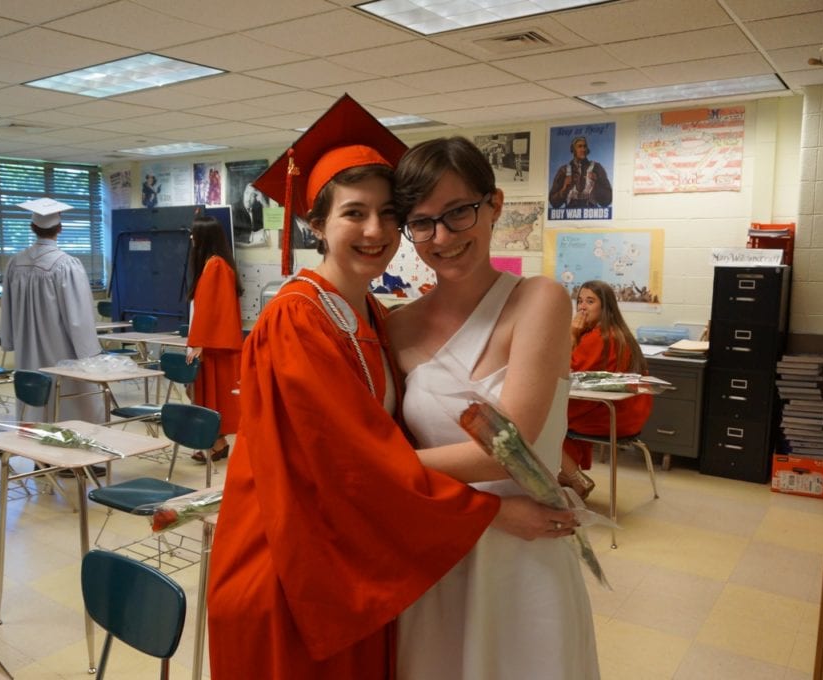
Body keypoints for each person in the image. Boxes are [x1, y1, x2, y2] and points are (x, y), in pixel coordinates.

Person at [205, 95, 572, 679]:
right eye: (354, 212)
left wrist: (553, 456)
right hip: (294, 572)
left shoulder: (372, 316)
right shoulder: (296, 319)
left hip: (357, 560)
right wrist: (487, 512)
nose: (377, 230)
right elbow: (344, 466)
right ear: (315, 224)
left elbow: (389, 442)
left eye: (390, 215)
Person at [388, 136, 600, 680]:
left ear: (495, 205)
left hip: (524, 555)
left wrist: (377, 467)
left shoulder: (539, 300)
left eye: (459, 212)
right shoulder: (397, 325)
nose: (442, 237)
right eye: (422, 222)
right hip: (442, 549)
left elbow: (514, 450)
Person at [0, 198, 103, 423]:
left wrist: (8, 340)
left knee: (34, 399)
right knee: (68, 402)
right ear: (60, 229)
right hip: (62, 352)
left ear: (32, 227)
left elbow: (6, 308)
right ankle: (68, 450)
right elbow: (78, 318)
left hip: (27, 350)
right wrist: (89, 354)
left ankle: (38, 452)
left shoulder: (15, 263)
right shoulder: (66, 265)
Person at [562, 279, 654, 498]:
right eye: (580, 301)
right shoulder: (617, 331)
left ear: (605, 307)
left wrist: (572, 335)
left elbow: (567, 372)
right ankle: (566, 475)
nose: (582, 307)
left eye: (590, 301)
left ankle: (575, 477)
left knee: (540, 424)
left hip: (609, 416)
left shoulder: (599, 337)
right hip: (625, 414)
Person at [184, 215, 243, 463]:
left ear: (204, 237)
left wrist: (198, 343)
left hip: (214, 346)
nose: (191, 237)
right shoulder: (213, 263)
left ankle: (215, 442)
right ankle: (217, 442)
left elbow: (212, 309)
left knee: (213, 396)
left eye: (194, 233)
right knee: (209, 396)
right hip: (212, 344)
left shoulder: (215, 265)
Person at [548, 135, 612, 209]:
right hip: (570, 216)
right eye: (580, 146)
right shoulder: (564, 170)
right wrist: (564, 189)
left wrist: (596, 184)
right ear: (573, 149)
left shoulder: (597, 168)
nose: (583, 149)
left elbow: (608, 200)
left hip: (591, 215)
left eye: (585, 146)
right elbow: (554, 203)